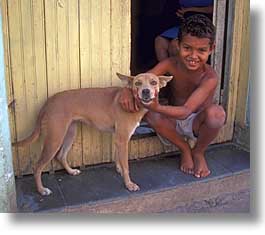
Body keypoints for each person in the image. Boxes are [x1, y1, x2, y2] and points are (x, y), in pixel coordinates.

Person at [119, 14, 226, 178]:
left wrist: (157, 106)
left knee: (217, 114)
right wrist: (127, 89)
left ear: (211, 49)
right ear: (177, 44)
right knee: (150, 113)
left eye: (202, 50)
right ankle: (184, 148)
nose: (193, 56)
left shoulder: (210, 77)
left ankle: (198, 152)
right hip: (172, 120)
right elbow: (143, 80)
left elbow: (186, 111)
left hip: (195, 122)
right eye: (187, 48)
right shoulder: (170, 63)